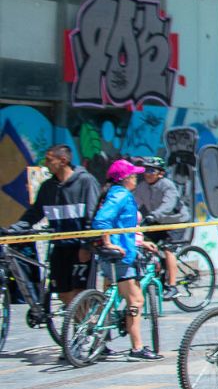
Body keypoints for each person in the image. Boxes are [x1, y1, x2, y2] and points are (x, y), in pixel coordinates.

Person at [20, 145, 101, 307]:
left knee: (80, 293)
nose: (46, 164)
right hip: (59, 248)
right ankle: (79, 320)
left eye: (49, 160)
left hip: (80, 248)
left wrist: (86, 246)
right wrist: (15, 229)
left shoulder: (86, 181)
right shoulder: (48, 187)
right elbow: (34, 213)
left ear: (63, 161)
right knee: (63, 293)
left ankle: (87, 322)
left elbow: (93, 216)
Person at [91, 160, 156, 359]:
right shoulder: (121, 194)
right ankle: (137, 348)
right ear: (125, 178)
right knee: (136, 300)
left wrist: (140, 243)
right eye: (133, 175)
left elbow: (122, 226)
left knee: (108, 300)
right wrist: (108, 243)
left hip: (117, 252)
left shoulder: (113, 193)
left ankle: (100, 344)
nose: (136, 178)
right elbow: (102, 220)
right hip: (120, 256)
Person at [133, 157, 191, 291]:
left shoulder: (167, 185)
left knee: (168, 248)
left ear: (161, 173)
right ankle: (158, 269)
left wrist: (153, 215)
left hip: (176, 222)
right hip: (158, 221)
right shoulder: (142, 187)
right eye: (146, 170)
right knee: (142, 242)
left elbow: (168, 205)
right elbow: (134, 204)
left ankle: (172, 286)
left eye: (151, 170)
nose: (147, 173)